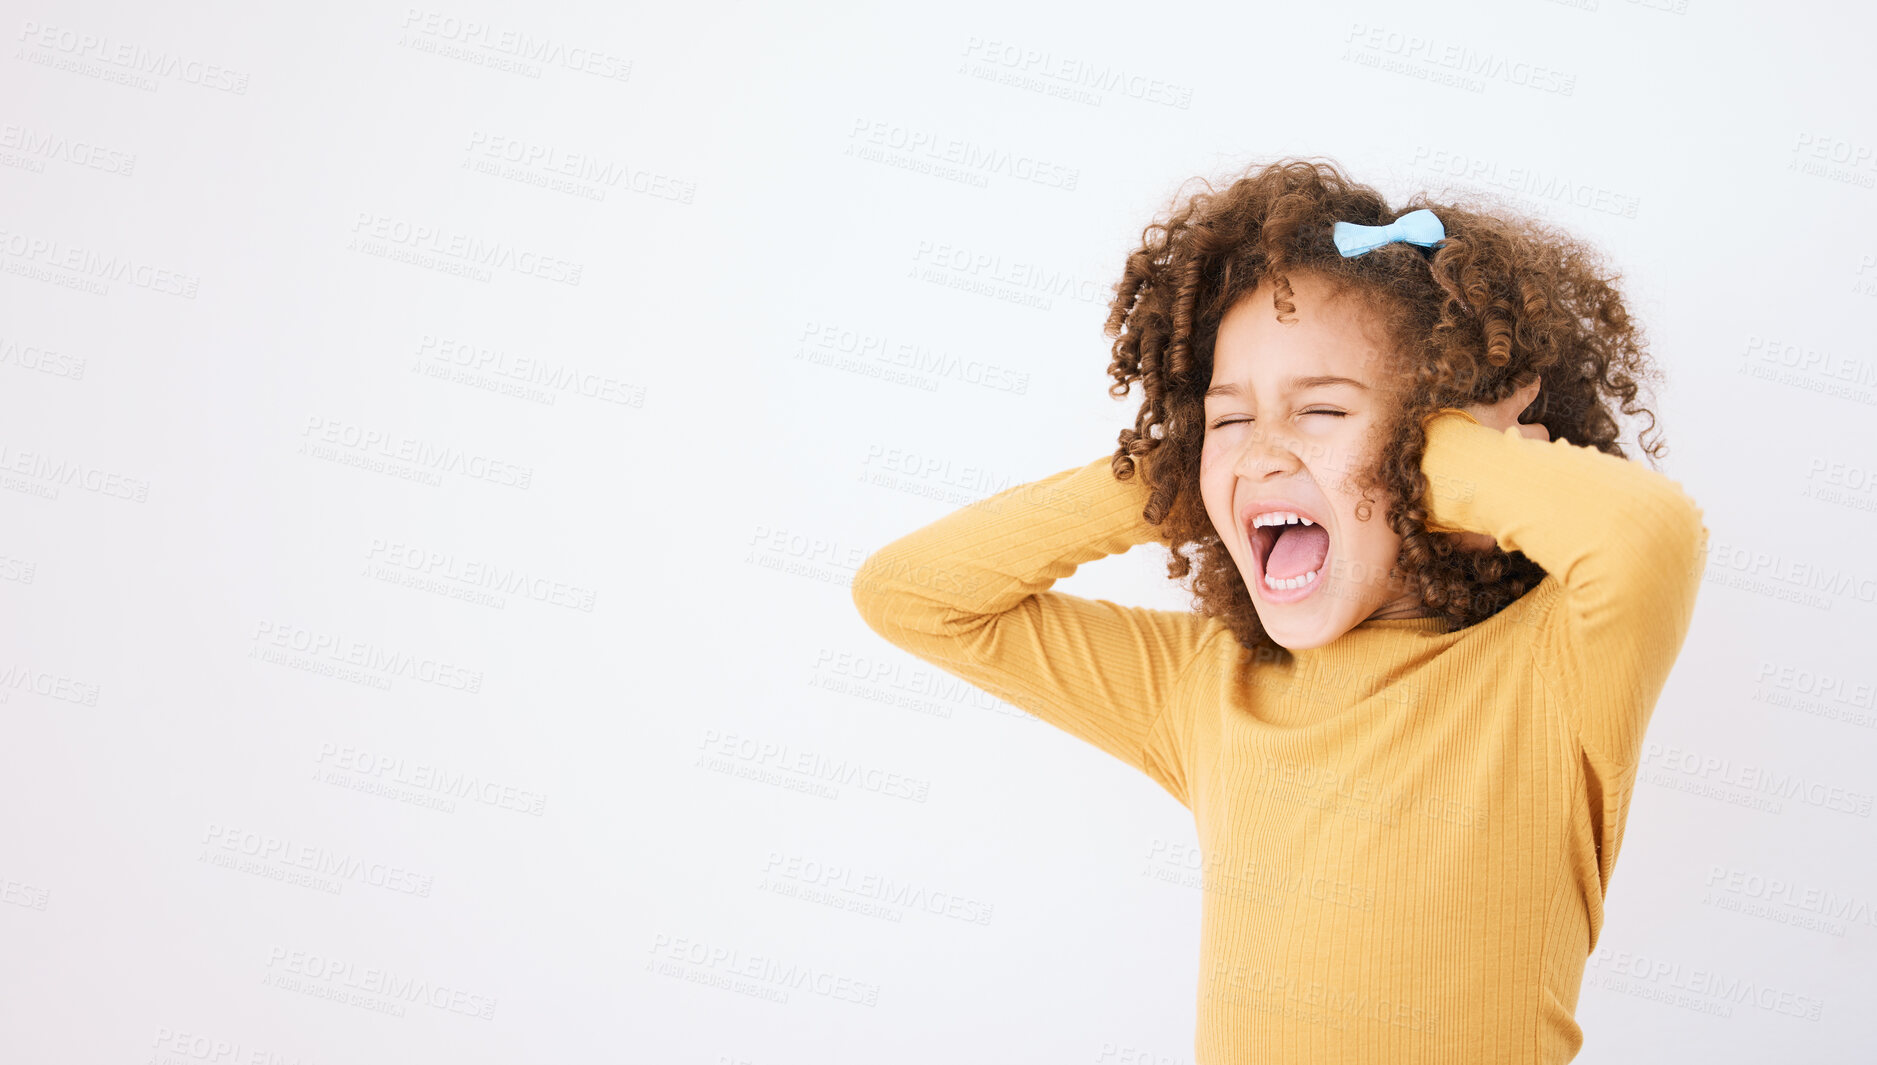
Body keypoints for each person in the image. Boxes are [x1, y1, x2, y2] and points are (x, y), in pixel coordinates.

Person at [849, 157, 1708, 1064]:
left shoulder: (1550, 669)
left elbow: (1645, 534)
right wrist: (1170, 478)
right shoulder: (1204, 687)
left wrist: (1435, 460)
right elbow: (913, 596)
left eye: (1323, 411)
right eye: (1228, 418)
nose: (1261, 455)